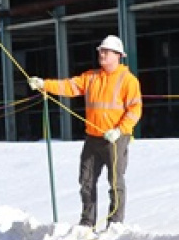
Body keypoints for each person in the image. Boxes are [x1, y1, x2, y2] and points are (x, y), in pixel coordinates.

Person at [28, 35, 142, 230]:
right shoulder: (91, 77)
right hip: (93, 138)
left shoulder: (128, 80)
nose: (102, 54)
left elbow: (135, 110)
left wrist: (120, 130)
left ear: (118, 55)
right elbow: (69, 86)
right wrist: (44, 84)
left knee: (115, 182)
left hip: (115, 139)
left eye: (106, 51)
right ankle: (87, 222)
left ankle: (115, 223)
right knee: (86, 181)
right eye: (101, 51)